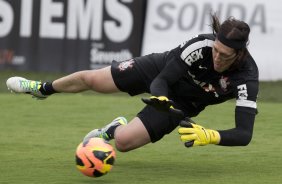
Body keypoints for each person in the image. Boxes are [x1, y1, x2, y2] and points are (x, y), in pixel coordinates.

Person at [6, 14, 258, 152]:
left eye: (224, 55)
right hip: (161, 70)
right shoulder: (200, 46)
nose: (216, 57)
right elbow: (162, 80)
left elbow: (244, 134)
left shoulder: (246, 77)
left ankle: (113, 129)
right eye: (215, 49)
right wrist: (160, 97)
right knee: (92, 79)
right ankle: (42, 88)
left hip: (184, 102)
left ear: (239, 54)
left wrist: (210, 135)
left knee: (124, 143)